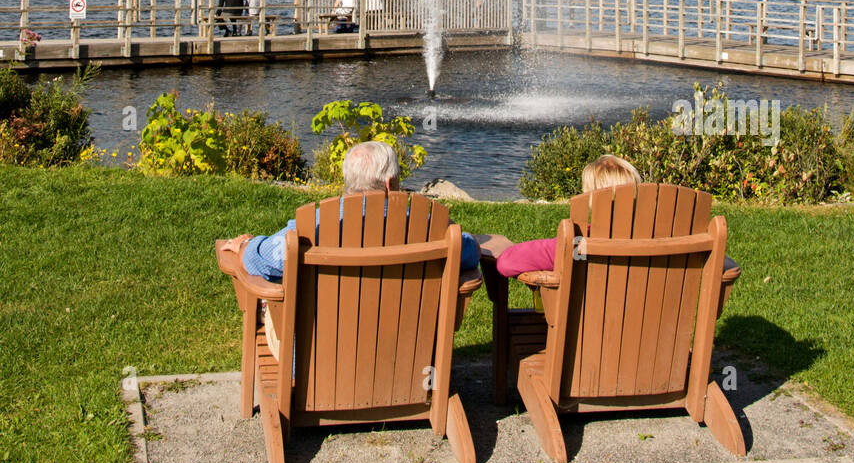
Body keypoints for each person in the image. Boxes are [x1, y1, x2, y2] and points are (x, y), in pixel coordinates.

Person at [222, 141, 480, 359]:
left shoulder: (313, 226)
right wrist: (448, 228)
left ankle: (267, 308)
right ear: (391, 183)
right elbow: (469, 250)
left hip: (318, 366)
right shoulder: (426, 228)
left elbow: (259, 259)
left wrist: (245, 245)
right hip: (408, 363)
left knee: (273, 296)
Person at [493, 154, 642, 279]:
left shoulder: (580, 241)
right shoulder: (656, 239)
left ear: (590, 199)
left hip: (588, 314)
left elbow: (506, 262)